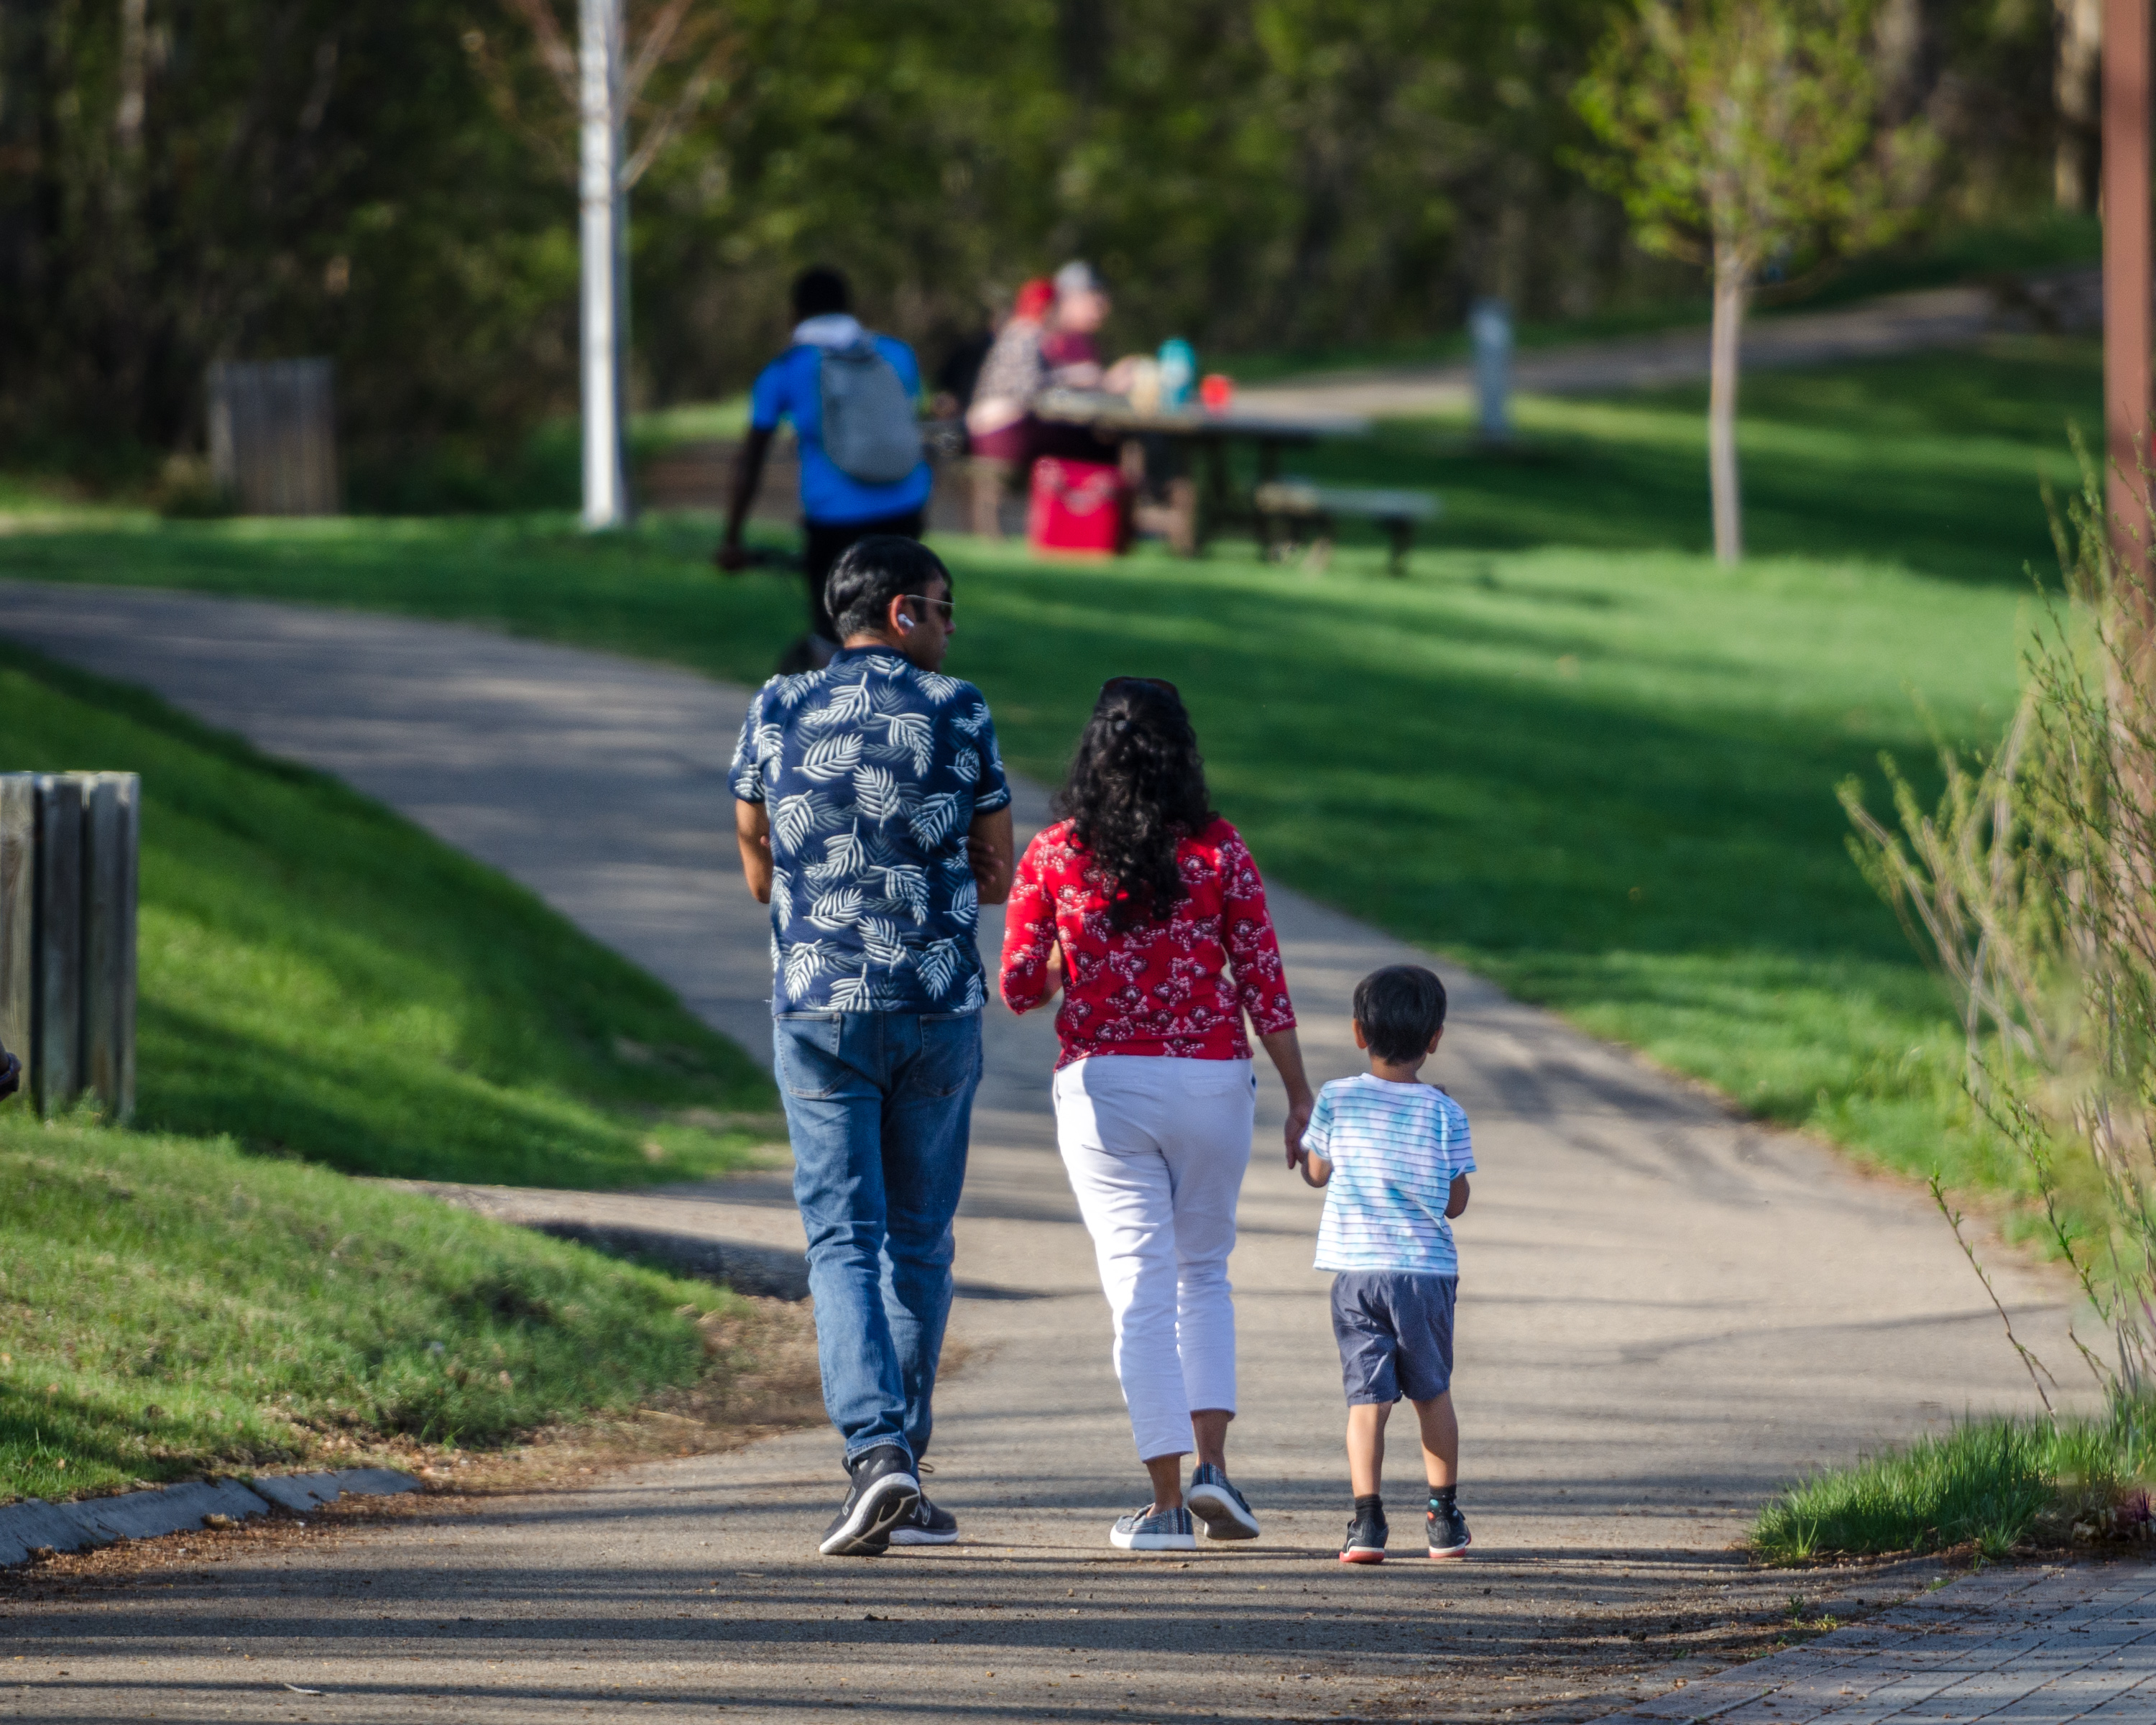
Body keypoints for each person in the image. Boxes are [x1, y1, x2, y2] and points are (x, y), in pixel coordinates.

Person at [727, 535, 1015, 1557]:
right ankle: (905, 1463)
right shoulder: (960, 709)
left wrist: (803, 896)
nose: (948, 628)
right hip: (935, 1003)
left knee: (842, 1240)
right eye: (941, 608)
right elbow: (995, 863)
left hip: (816, 1005)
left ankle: (874, 1455)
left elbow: (755, 848)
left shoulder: (776, 705)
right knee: (920, 1242)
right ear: (900, 613)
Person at [999, 678, 1313, 1553]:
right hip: (1212, 1082)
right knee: (1203, 1273)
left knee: (1137, 1284)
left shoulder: (1058, 853)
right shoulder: (1220, 851)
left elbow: (1019, 988)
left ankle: (1167, 1503)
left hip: (1105, 1089)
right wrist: (1298, 1096)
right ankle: (1216, 1471)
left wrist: (1072, 955)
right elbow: (1263, 983)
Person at [1291, 964, 1475, 1565]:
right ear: (1435, 1039)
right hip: (1424, 1273)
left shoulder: (1337, 1099)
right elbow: (1455, 1201)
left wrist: (1310, 1152)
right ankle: (1443, 1520)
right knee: (1433, 1393)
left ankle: (1367, 1524)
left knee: (1366, 1400)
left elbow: (1318, 1173)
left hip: (1358, 1272)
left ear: (1357, 1032)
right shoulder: (1445, 1112)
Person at [717, 267, 933, 671]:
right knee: (906, 625)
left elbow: (750, 460)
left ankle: (828, 721)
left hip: (835, 520)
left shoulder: (787, 368)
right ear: (849, 307)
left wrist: (732, 539)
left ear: (794, 313)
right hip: (906, 509)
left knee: (832, 633)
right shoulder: (897, 354)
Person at [962, 277, 1054, 538]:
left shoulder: (1013, 332)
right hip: (1003, 426)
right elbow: (1030, 390)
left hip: (985, 424)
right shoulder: (1028, 334)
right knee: (1074, 444)